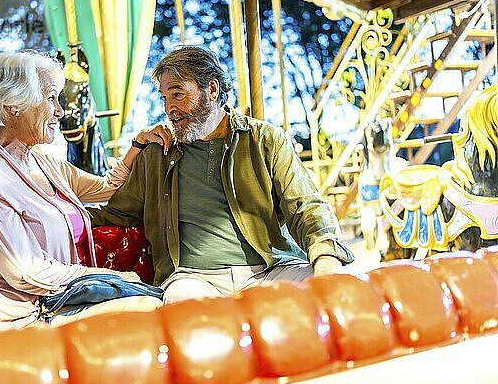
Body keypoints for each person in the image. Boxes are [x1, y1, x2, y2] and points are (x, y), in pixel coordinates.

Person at [89, 46, 355, 304]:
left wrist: (326, 259)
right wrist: (56, 212)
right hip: (193, 279)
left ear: (212, 89)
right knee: (184, 306)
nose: (169, 107)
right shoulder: (156, 155)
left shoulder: (265, 140)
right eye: (164, 98)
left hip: (270, 269)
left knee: (337, 289)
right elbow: (117, 213)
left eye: (178, 94)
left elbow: (306, 207)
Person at [0, 52, 172, 335]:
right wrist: (112, 277)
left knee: (163, 304)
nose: (60, 111)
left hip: (67, 300)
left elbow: (105, 188)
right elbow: (26, 272)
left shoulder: (41, 162)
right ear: (12, 105)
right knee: (154, 312)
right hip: (26, 320)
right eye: (51, 98)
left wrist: (138, 144)